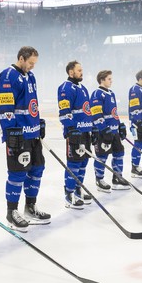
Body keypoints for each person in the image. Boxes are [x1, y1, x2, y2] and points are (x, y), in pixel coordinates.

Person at [0, 46, 50, 232]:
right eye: (30, 63)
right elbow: (4, 107)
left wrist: (39, 122)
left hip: (33, 133)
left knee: (37, 169)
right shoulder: (8, 75)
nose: (32, 67)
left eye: (35, 63)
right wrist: (11, 132)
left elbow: (32, 104)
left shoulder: (30, 76)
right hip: (19, 135)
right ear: (21, 58)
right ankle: (12, 212)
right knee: (18, 173)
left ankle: (30, 208)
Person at [57, 60, 94, 209]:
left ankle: (78, 189)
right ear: (71, 72)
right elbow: (65, 111)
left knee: (84, 163)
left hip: (85, 132)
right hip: (75, 132)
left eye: (82, 70)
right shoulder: (65, 88)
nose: (81, 72)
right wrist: (71, 130)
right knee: (74, 164)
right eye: (79, 70)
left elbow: (87, 110)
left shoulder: (83, 88)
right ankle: (69, 193)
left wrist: (94, 128)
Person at [90, 70, 130, 191]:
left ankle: (117, 178)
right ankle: (99, 180)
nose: (111, 81)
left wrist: (120, 125)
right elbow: (96, 113)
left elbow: (113, 113)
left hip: (114, 131)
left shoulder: (111, 93)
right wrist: (103, 129)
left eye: (111, 79)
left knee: (119, 153)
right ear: (102, 80)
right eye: (109, 79)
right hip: (103, 132)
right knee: (102, 156)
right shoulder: (97, 94)